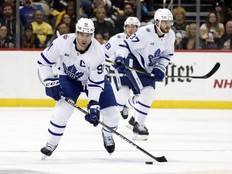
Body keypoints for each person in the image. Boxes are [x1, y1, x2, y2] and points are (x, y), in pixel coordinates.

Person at [37, 17, 120, 159]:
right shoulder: (62, 42)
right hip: (69, 79)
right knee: (62, 111)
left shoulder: (98, 52)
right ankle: (51, 143)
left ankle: (107, 134)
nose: (84, 38)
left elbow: (95, 82)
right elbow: (43, 62)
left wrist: (93, 104)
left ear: (92, 35)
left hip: (92, 82)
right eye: (81, 34)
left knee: (113, 115)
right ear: (76, 33)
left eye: (88, 35)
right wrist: (49, 81)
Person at [112, 8, 175, 140]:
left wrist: (160, 67)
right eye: (165, 22)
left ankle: (131, 116)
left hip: (148, 66)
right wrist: (119, 57)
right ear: (157, 22)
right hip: (134, 62)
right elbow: (125, 45)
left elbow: (167, 54)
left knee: (146, 95)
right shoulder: (144, 33)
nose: (168, 25)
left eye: (170, 22)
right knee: (148, 92)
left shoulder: (170, 35)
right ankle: (138, 126)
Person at [104, 16, 141, 120]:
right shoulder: (117, 39)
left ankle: (127, 106)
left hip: (136, 74)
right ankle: (112, 119)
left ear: (138, 28)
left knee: (141, 97)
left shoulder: (143, 40)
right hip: (120, 74)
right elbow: (104, 53)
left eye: (134, 27)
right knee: (121, 97)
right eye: (128, 26)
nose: (131, 29)